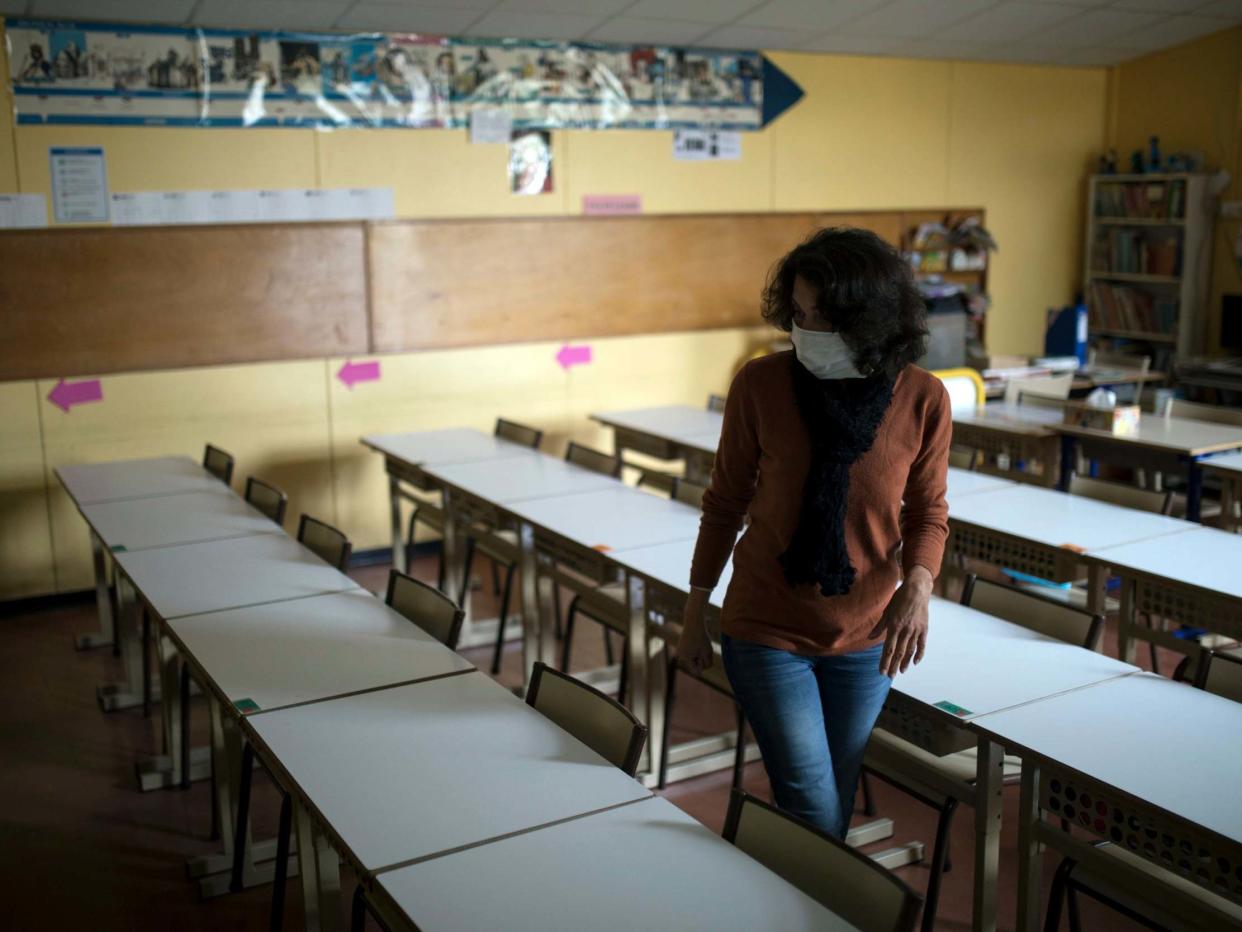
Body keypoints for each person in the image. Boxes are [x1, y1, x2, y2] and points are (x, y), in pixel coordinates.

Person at [677, 226, 951, 839]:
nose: (806, 332)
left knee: (835, 790)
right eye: (798, 314)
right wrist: (695, 610)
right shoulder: (760, 385)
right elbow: (724, 503)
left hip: (866, 633)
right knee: (812, 805)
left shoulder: (922, 399)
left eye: (823, 318)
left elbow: (928, 510)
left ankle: (804, 893)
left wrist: (920, 584)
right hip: (767, 626)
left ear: (871, 320)